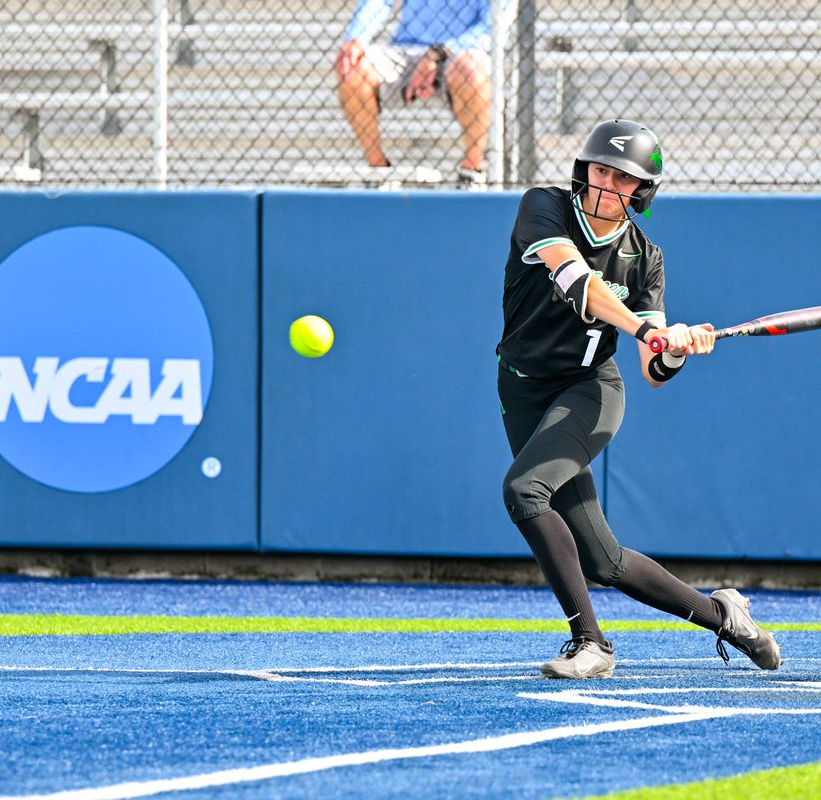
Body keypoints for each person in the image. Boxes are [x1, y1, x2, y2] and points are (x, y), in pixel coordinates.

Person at [496, 118, 782, 679]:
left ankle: (591, 644)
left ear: (641, 191)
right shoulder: (544, 207)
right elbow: (579, 283)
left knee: (524, 492)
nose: (607, 183)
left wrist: (675, 347)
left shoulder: (645, 257)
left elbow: (654, 371)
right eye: (600, 169)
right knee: (604, 561)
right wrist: (644, 328)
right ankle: (726, 616)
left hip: (589, 390)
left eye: (622, 177)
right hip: (520, 387)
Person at [335, 0, 493, 187]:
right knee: (353, 67)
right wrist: (356, 39)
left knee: (470, 69)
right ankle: (378, 171)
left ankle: (472, 170)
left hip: (461, 50)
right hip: (407, 46)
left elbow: (492, 26)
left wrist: (438, 53)